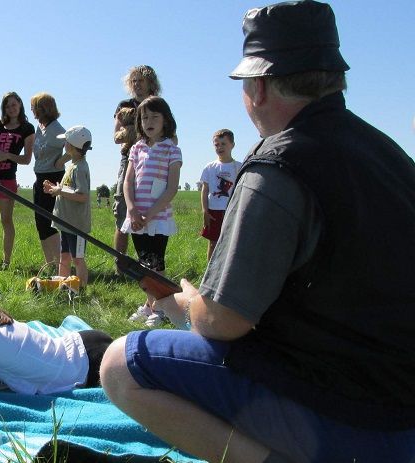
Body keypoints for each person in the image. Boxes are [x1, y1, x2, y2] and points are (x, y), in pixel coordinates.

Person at [100, 2, 415, 462]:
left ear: (259, 86)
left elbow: (223, 321)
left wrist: (184, 302)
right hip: (399, 403)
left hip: (353, 418)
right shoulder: (389, 155)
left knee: (119, 364)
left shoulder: (277, 166)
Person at [121, 96, 182, 328]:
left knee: (156, 263)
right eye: (144, 117)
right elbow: (128, 182)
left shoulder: (172, 150)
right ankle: (150, 304)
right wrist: (132, 209)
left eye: (155, 116)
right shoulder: (137, 148)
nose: (149, 121)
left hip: (157, 218)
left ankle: (163, 307)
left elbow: (172, 187)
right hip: (137, 218)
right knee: (143, 263)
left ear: (165, 120)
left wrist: (150, 214)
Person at [0, 91, 36, 269]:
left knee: (6, 220)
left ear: (20, 105)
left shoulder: (27, 128)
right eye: (7, 106)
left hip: (7, 178)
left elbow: (26, 159)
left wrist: (6, 155)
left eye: (14, 105)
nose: (11, 109)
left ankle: (6, 261)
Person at [112, 66, 162, 271]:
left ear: (150, 83)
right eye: (133, 81)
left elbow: (170, 134)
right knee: (123, 210)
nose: (136, 85)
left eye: (140, 81)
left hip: (155, 161)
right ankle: (121, 265)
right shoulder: (125, 106)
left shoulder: (158, 105)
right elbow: (116, 136)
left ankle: (153, 265)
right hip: (130, 160)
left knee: (154, 209)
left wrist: (137, 133)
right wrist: (132, 133)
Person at [42, 126, 93, 288]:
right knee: (64, 255)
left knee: (77, 258)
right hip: (66, 222)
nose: (64, 144)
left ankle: (81, 287)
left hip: (76, 225)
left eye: (66, 141)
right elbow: (70, 189)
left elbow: (83, 196)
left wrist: (60, 192)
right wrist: (56, 189)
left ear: (72, 145)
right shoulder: (73, 165)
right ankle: (61, 285)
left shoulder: (80, 168)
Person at [30, 92, 70, 267]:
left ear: (43, 108)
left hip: (53, 178)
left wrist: (61, 161)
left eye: (34, 107)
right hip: (39, 177)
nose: (32, 110)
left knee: (50, 221)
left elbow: (76, 145)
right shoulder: (40, 127)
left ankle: (60, 263)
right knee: (41, 221)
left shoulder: (57, 129)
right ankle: (49, 263)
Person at [199, 129, 242, 260]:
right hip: (214, 211)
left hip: (232, 210)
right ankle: (209, 273)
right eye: (217, 144)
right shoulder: (210, 167)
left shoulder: (239, 167)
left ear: (232, 145)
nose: (220, 147)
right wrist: (205, 211)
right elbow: (205, 190)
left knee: (231, 244)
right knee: (213, 243)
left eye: (224, 143)